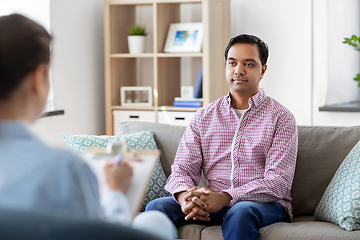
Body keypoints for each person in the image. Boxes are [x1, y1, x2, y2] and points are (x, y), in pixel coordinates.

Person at [0, 13, 177, 240]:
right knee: (155, 222)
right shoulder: (64, 170)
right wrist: (115, 191)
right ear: (38, 77)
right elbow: (103, 234)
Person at [146, 34, 298, 240]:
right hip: (212, 203)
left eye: (249, 64)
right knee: (156, 207)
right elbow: (182, 169)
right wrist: (184, 198)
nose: (239, 70)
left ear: (263, 70)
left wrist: (227, 197)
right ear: (225, 67)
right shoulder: (203, 116)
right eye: (232, 63)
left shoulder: (282, 118)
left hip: (264, 205)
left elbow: (278, 182)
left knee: (241, 211)